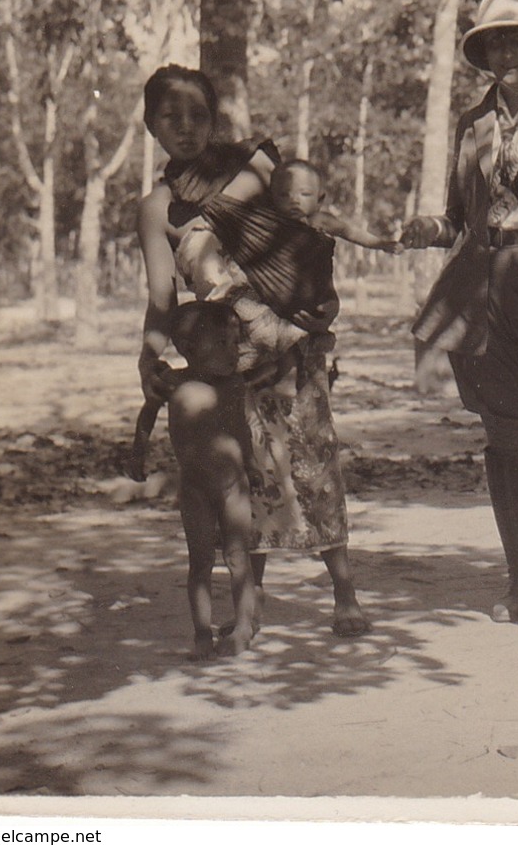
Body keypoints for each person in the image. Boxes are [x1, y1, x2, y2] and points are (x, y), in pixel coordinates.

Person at [137, 64, 370, 639]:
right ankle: (251, 600)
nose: (186, 128)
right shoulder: (157, 206)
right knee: (247, 473)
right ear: (150, 125)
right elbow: (163, 294)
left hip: (292, 340)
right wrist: (148, 357)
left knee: (313, 461)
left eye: (198, 115)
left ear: (215, 121)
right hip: (224, 357)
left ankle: (344, 589)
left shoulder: (253, 169)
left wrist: (323, 305)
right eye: (171, 117)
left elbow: (306, 230)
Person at [402, 0, 518, 623]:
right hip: (487, 290)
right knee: (504, 437)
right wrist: (433, 229)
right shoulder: (473, 123)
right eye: (495, 41)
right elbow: (460, 220)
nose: (506, 51)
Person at [150, 301, 260, 659]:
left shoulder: (235, 384)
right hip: (194, 487)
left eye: (236, 343)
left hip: (234, 485)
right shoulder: (175, 383)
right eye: (223, 344)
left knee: (238, 556)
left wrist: (252, 466)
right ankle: (201, 635)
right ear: (189, 349)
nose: (234, 353)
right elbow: (147, 411)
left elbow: (241, 429)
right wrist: (138, 450)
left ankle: (243, 626)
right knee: (200, 563)